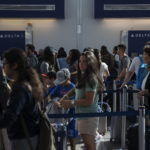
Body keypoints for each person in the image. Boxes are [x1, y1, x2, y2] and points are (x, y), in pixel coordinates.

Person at [59, 51, 103, 150]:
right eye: (80, 61)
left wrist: (71, 103)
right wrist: (66, 96)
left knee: (89, 145)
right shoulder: (84, 76)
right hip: (82, 115)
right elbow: (76, 88)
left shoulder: (91, 78)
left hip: (88, 117)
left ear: (90, 63)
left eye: (84, 61)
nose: (81, 64)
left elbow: (89, 101)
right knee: (88, 145)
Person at [2, 48, 43, 150]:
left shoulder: (20, 89)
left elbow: (10, 118)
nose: (3, 66)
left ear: (14, 65)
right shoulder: (27, 84)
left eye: (5, 63)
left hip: (23, 140)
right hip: (28, 137)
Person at [46, 68, 78, 150]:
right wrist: (53, 101)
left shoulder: (73, 88)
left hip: (71, 116)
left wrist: (63, 104)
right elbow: (49, 96)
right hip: (59, 117)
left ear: (68, 79)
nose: (61, 84)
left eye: (63, 81)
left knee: (72, 138)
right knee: (59, 138)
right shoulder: (59, 86)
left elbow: (74, 103)